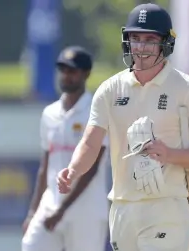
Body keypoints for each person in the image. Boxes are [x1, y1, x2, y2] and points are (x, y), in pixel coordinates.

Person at [56, 3, 189, 251]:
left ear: (165, 43)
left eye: (150, 39)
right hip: (122, 207)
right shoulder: (110, 90)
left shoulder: (186, 89)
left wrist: (170, 154)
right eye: (135, 38)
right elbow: (90, 142)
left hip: (167, 206)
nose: (141, 46)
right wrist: (73, 170)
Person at [22, 46, 110, 251]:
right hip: (50, 205)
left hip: (86, 211)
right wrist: (33, 211)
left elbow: (92, 168)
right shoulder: (49, 113)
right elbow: (45, 166)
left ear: (86, 73)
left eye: (73, 71)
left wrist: (62, 210)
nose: (66, 76)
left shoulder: (96, 111)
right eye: (63, 70)